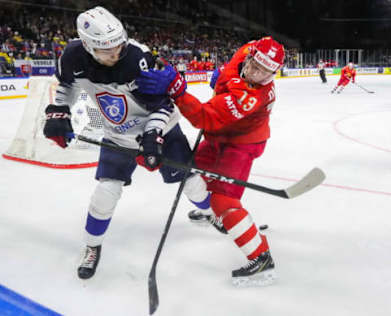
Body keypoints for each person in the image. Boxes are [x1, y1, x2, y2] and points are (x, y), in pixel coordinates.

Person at [42, 7, 211, 280]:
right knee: (105, 192)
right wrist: (58, 111)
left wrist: (153, 136)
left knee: (191, 181)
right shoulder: (73, 56)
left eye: (119, 47)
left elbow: (164, 103)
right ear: (87, 46)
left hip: (162, 130)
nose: (116, 54)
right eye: (107, 51)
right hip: (117, 134)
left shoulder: (138, 58)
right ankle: (92, 245)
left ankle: (211, 213)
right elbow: (67, 86)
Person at [135, 36, 285, 286]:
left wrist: (177, 89)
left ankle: (261, 258)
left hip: (241, 143)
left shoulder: (250, 96)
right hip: (221, 134)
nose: (254, 72)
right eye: (253, 64)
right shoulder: (250, 50)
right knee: (191, 172)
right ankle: (213, 215)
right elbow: (237, 64)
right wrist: (224, 77)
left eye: (263, 71)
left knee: (223, 200)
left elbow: (204, 117)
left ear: (273, 73)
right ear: (251, 55)